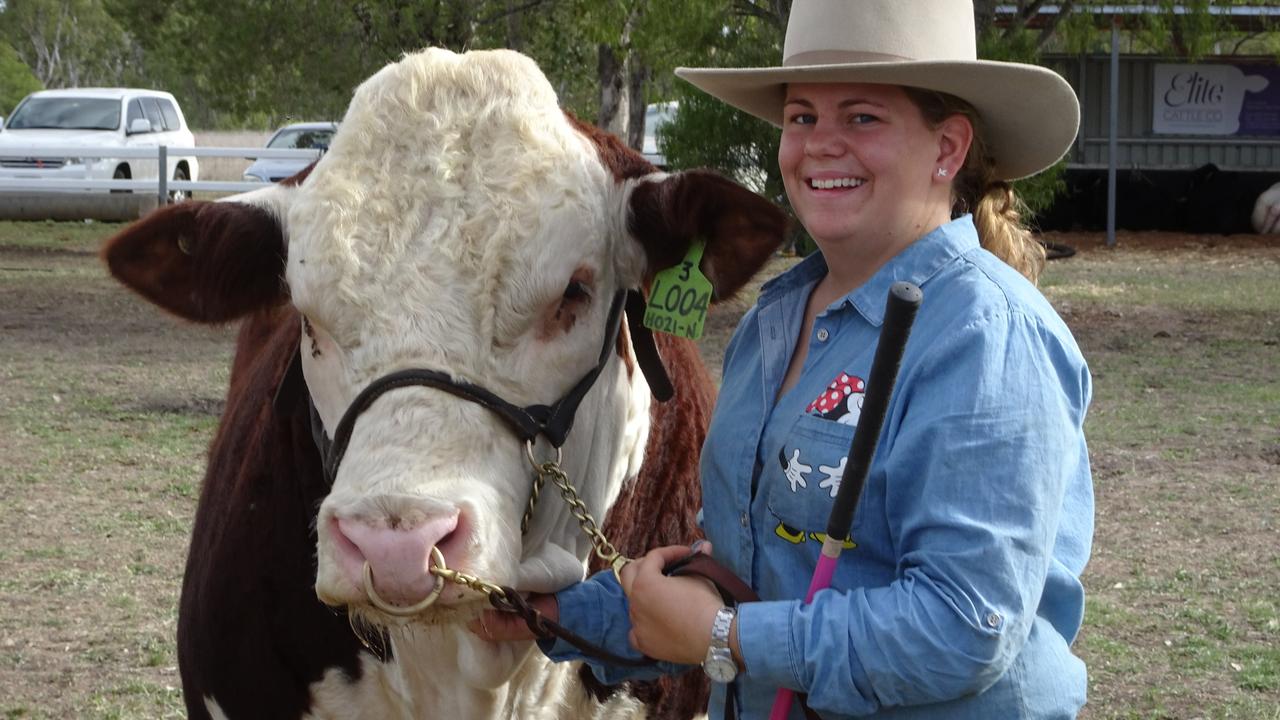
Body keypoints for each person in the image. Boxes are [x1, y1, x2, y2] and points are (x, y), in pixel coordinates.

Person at [473, 1, 1095, 718]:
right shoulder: (775, 320)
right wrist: (557, 615)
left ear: (948, 147)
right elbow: (747, 570)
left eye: (861, 117)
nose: (820, 145)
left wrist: (725, 638)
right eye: (802, 117)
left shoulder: (986, 335)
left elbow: (961, 628)